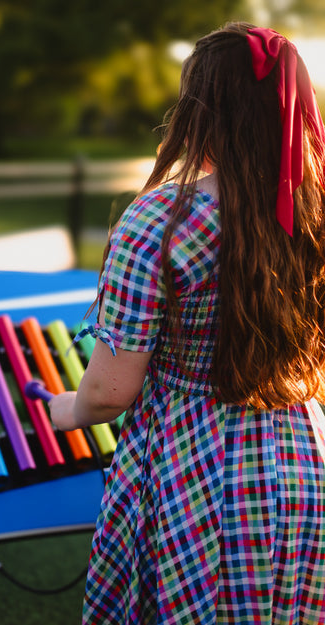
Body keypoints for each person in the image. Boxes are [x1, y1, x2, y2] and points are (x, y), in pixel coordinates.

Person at [49, 21, 325, 624]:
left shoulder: (158, 222)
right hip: (302, 458)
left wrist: (65, 408)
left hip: (192, 471)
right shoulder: (316, 211)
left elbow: (109, 393)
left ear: (200, 108)